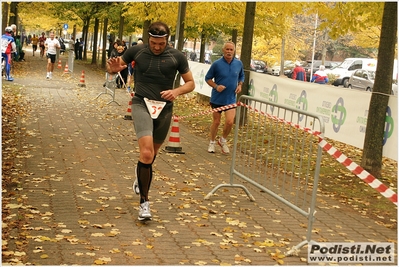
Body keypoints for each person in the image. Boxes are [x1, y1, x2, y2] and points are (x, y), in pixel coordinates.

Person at [106, 21, 195, 221]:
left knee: (151, 156)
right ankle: (144, 204)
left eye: (160, 44)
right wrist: (111, 69)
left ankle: (140, 175)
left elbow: (190, 83)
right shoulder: (137, 51)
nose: (156, 47)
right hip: (141, 103)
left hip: (164, 108)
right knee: (146, 153)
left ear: (167, 40)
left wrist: (176, 91)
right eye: (153, 43)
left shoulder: (177, 57)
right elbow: (115, 68)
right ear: (148, 39)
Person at [205, 41, 244, 154]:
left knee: (230, 122)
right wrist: (216, 86)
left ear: (234, 51)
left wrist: (240, 85)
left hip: (231, 98)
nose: (229, 52)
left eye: (231, 50)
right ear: (223, 50)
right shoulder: (216, 64)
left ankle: (222, 140)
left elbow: (241, 75)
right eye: (227, 49)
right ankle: (212, 142)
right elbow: (208, 78)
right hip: (217, 98)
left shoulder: (238, 63)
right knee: (216, 122)